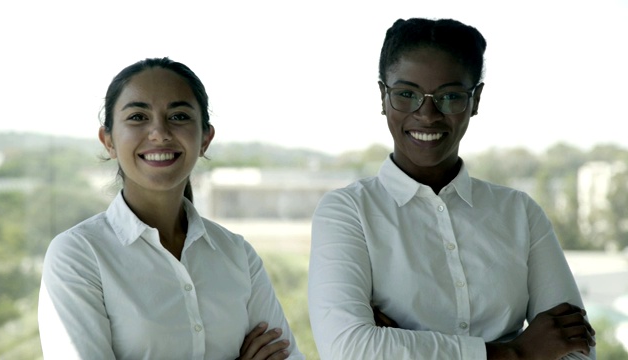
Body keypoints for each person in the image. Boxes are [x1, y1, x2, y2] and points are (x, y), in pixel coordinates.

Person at [308, 18, 596, 359]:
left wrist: (404, 347)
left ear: (475, 101)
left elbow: (576, 350)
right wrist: (515, 352)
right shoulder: (348, 212)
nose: (427, 114)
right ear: (383, 97)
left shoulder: (520, 212)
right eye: (406, 94)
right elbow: (347, 349)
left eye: (450, 96)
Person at [38, 57, 304, 360]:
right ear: (108, 141)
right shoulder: (78, 254)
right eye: (138, 117)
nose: (159, 132)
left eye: (178, 116)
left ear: (205, 138)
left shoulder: (237, 254)